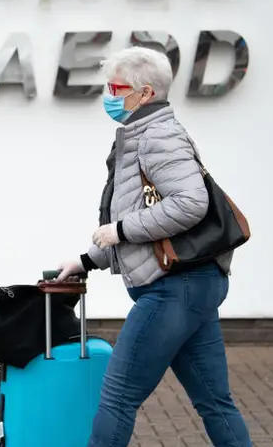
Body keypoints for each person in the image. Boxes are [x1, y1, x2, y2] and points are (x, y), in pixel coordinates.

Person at [55, 46, 253, 447]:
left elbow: (191, 203)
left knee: (117, 398)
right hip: (192, 285)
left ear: (145, 93)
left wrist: (121, 230)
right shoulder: (142, 134)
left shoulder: (157, 135)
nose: (108, 95)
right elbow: (142, 214)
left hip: (173, 290)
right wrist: (85, 260)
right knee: (215, 401)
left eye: (116, 87)